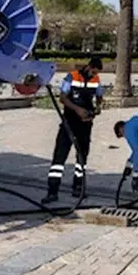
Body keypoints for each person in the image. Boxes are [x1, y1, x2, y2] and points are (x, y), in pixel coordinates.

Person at [44, 57, 105, 203]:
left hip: (85, 124)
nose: (93, 75)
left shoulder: (96, 79)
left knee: (82, 158)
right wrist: (78, 110)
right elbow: (63, 98)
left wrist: (97, 108)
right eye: (93, 72)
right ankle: (52, 191)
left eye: (96, 73)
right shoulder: (72, 76)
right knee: (60, 157)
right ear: (88, 67)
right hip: (69, 122)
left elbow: (99, 95)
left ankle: (78, 188)